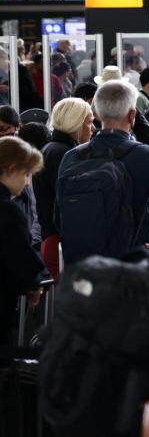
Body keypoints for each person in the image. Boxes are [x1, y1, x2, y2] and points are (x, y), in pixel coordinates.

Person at [57, 80, 149, 259]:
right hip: (133, 266)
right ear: (132, 115)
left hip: (84, 268)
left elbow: (58, 215)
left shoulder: (71, 157)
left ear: (97, 114)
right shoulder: (147, 157)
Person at [32, 98, 94, 278]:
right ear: (76, 123)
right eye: (89, 122)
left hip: (54, 240)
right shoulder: (63, 154)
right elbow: (70, 204)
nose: (93, 128)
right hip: (61, 244)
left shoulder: (53, 149)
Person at [0, 136, 46, 347]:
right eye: (26, 174)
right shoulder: (8, 210)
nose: (27, 182)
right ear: (11, 169)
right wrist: (33, 283)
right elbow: (19, 254)